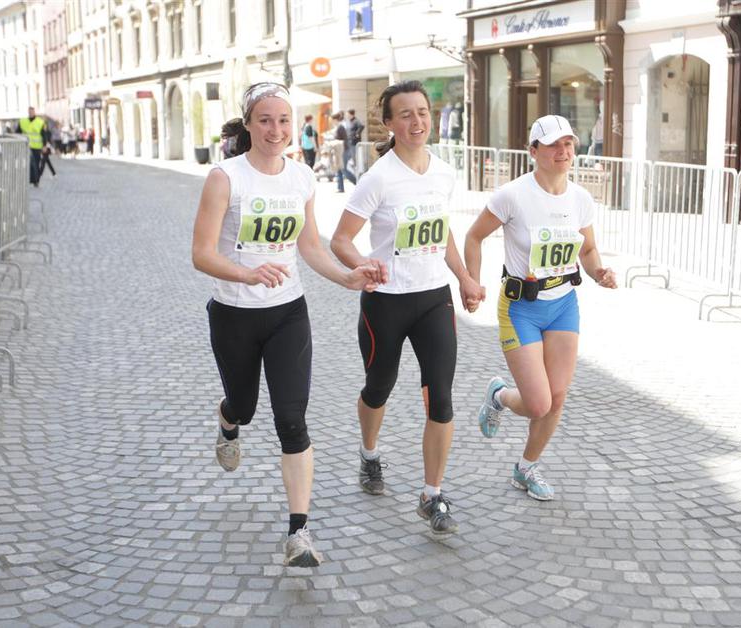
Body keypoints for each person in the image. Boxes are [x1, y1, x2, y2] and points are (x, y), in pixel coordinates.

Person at [191, 82, 385, 567]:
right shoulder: (225, 178)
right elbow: (201, 254)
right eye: (265, 120)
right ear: (249, 124)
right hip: (234, 313)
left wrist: (347, 277)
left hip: (287, 312)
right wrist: (246, 273)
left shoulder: (301, 177)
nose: (275, 130)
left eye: (283, 120)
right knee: (244, 406)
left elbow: (310, 246)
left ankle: (299, 532)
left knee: (292, 420)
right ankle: (228, 421)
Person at [330, 80, 484, 535]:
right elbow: (340, 240)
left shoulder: (444, 172)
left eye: (422, 112)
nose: (417, 121)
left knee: (441, 396)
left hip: (434, 299)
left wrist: (465, 277)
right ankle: (369, 454)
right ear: (389, 124)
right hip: (386, 303)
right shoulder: (378, 178)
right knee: (379, 386)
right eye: (406, 114)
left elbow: (443, 230)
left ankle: (432, 494)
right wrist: (363, 264)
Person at [464, 114, 618, 502]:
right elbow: (474, 236)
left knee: (557, 398)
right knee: (538, 403)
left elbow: (587, 250)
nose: (563, 151)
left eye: (568, 144)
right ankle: (500, 395)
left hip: (563, 303)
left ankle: (526, 467)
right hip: (520, 307)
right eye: (553, 145)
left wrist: (599, 272)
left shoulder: (580, 199)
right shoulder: (512, 195)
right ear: (533, 151)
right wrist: (472, 281)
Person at [18, 107, 46, 186]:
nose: (31, 113)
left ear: (34, 112)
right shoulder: (23, 121)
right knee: (30, 164)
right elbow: (17, 133)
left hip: (37, 147)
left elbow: (44, 135)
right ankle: (33, 180)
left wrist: (44, 145)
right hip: (26, 146)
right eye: (29, 112)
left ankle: (36, 180)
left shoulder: (40, 122)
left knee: (36, 163)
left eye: (32, 112)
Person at [332, 111, 355, 192]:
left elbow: (345, 140)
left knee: (343, 169)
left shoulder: (341, 127)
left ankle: (357, 182)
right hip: (340, 151)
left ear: (335, 120)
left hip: (343, 151)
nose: (332, 122)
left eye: (332, 120)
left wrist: (335, 143)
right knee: (339, 169)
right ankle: (340, 188)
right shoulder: (338, 127)